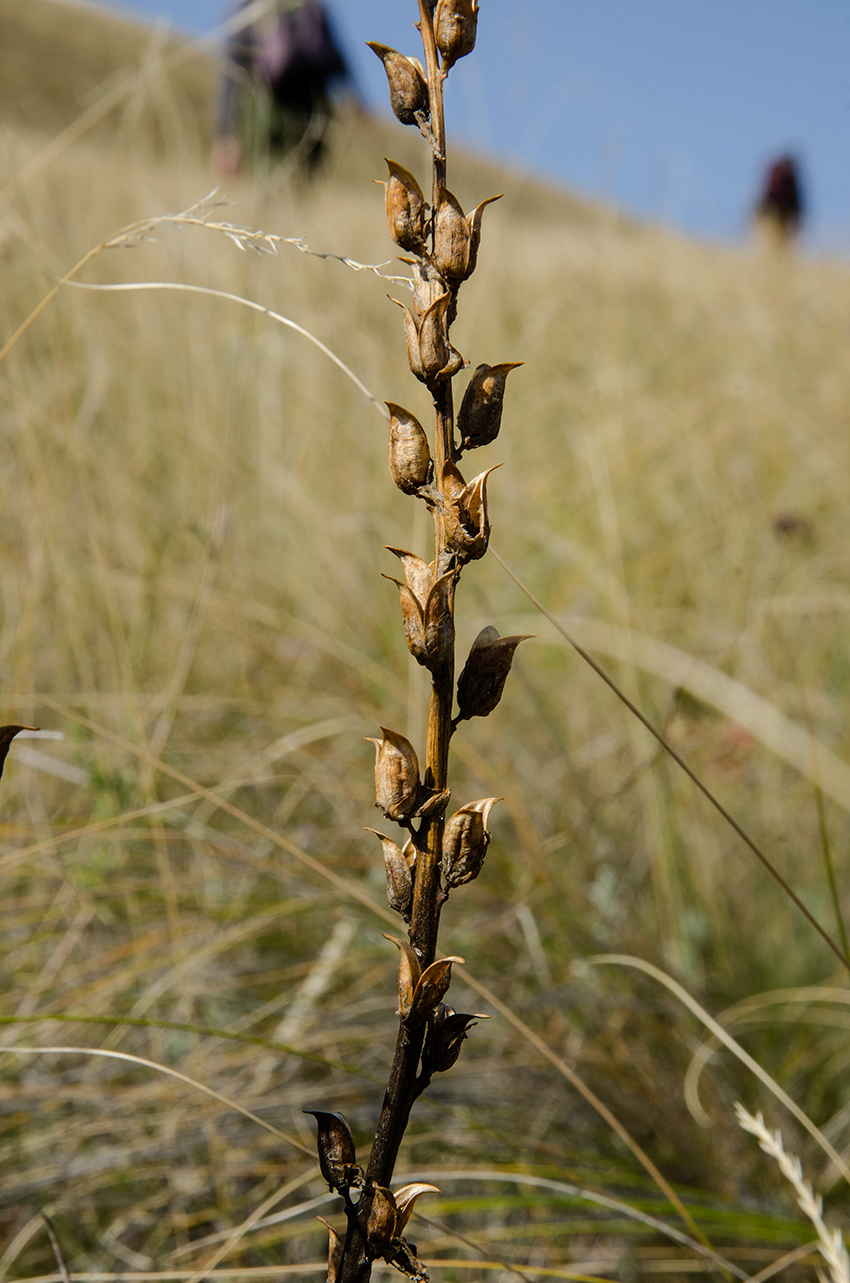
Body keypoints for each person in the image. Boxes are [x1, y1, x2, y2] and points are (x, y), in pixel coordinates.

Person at [213, 0, 352, 178]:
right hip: (312, 105)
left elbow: (231, 75)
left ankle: (276, 201)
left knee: (271, 173)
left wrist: (225, 134)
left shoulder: (252, 10)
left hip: (271, 104)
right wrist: (353, 95)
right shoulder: (311, 8)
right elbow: (337, 57)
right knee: (304, 175)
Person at [754, 154, 804, 244]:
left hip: (773, 208)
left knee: (772, 233)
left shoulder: (776, 174)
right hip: (783, 209)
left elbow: (766, 195)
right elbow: (796, 202)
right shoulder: (791, 179)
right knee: (780, 234)